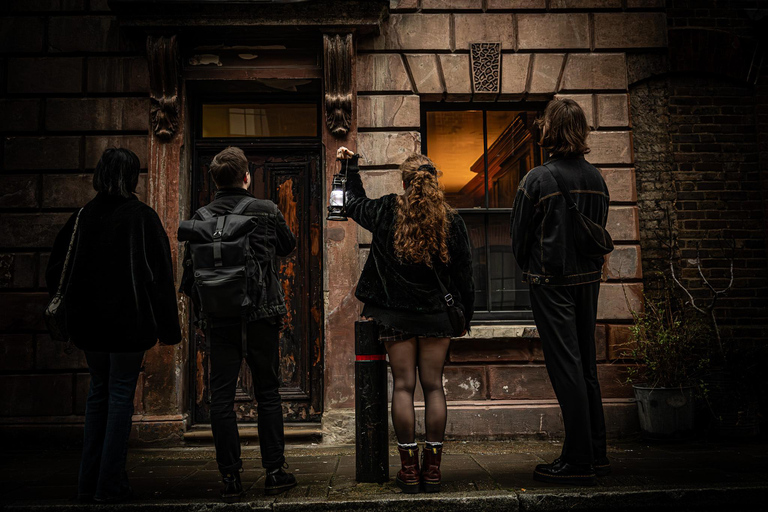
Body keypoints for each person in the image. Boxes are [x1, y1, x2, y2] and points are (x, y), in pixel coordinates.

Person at [45, 148, 182, 503]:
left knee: (98, 395)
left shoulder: (82, 217)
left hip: (89, 327)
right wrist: (169, 329)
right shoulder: (142, 217)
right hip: (128, 325)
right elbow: (161, 281)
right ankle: (109, 485)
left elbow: (55, 270)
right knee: (120, 396)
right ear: (132, 177)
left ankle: (89, 482)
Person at [338, 146, 474, 494]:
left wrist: (349, 166)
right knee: (433, 387)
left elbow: (352, 202)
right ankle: (433, 470)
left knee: (402, 386)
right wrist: (464, 317)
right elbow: (465, 276)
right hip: (436, 318)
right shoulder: (451, 219)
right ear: (434, 181)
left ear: (404, 181)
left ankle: (409, 471)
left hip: (395, 316)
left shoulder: (386, 210)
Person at [180, 147, 297, 501]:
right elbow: (288, 247)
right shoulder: (266, 210)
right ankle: (275, 471)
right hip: (261, 315)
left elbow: (190, 278)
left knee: (220, 399)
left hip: (220, 319)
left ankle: (230, 478)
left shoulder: (200, 217)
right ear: (246, 177)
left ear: (214, 180)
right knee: (268, 393)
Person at [510, 98, 611, 486]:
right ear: (581, 130)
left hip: (551, 284)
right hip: (588, 282)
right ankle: (597, 453)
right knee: (586, 365)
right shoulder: (598, 180)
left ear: (549, 130)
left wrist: (533, 267)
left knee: (565, 366)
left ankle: (578, 458)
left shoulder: (538, 179)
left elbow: (518, 239)